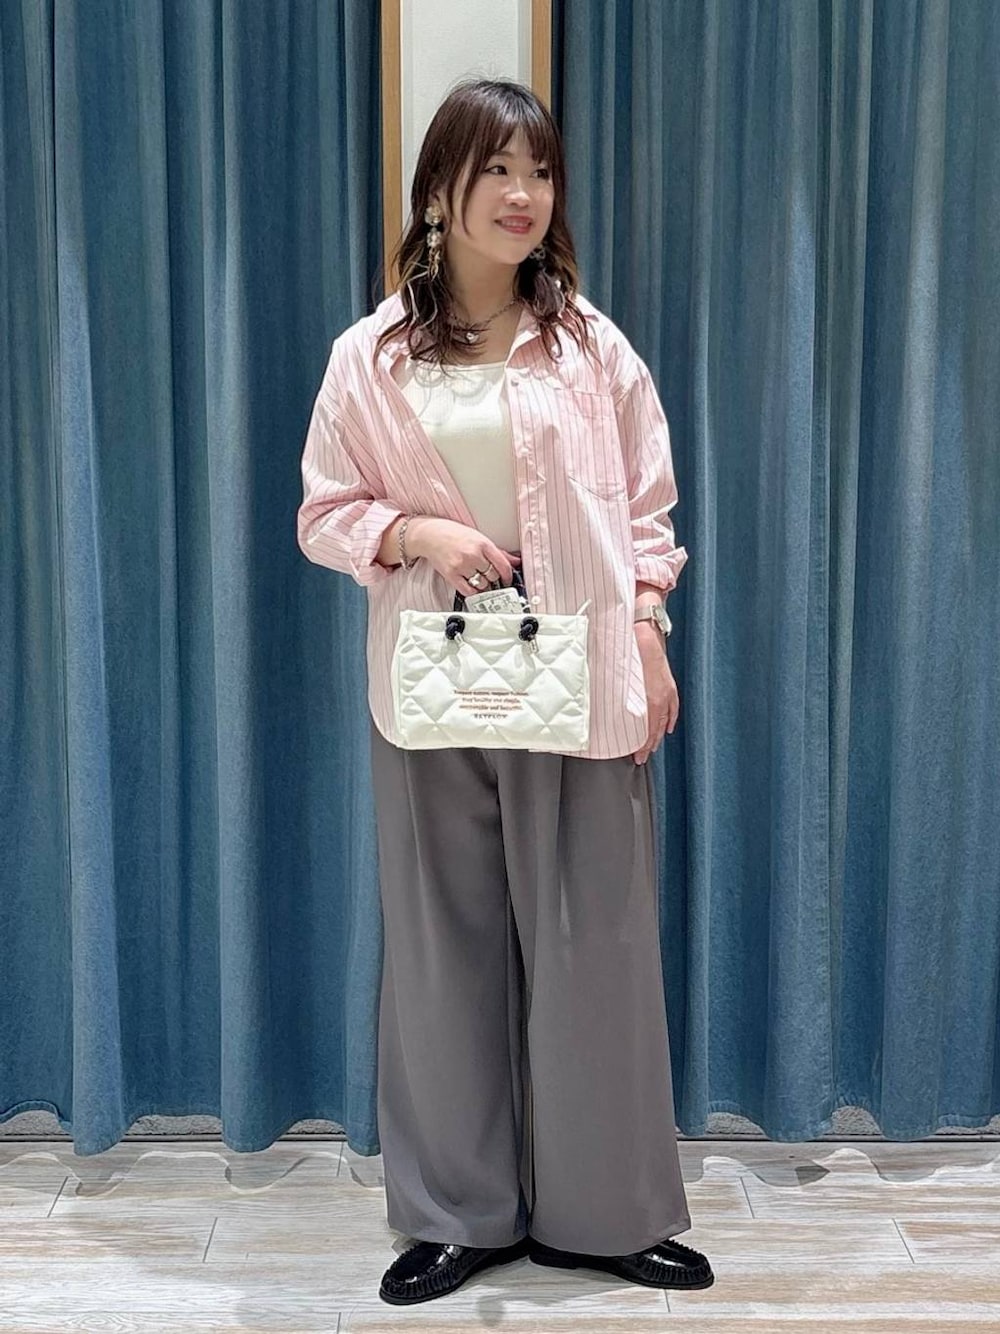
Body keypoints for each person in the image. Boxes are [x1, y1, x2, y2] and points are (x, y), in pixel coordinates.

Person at [297, 77, 714, 1306]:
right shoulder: (370, 356)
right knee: (444, 951)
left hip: (584, 680)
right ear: (441, 187)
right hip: (433, 684)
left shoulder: (591, 347)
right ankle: (454, 1215)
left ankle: (605, 1213)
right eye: (496, 170)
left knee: (597, 943)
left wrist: (648, 632)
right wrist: (414, 530)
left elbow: (647, 512)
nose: (523, 195)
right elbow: (323, 512)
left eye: (539, 173)